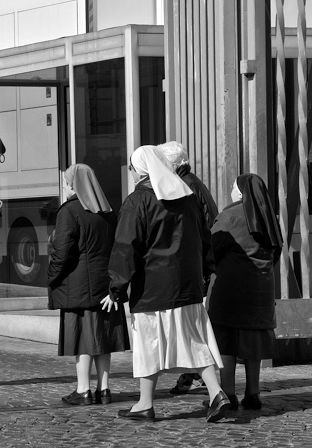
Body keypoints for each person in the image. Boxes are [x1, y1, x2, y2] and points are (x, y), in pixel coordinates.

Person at [102, 145, 229, 423]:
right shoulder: (188, 197)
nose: (131, 172)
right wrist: (205, 273)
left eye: (132, 168)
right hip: (187, 286)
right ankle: (216, 392)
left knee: (149, 346)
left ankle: (145, 403)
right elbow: (204, 239)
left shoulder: (138, 201)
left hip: (153, 288)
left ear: (141, 170)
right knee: (195, 342)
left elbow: (126, 247)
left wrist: (116, 288)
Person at [48, 164, 130, 406]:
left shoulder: (69, 211)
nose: (64, 186)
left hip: (78, 286)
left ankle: (83, 389)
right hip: (105, 285)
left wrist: (51, 277)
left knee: (83, 338)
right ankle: (104, 389)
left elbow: (62, 252)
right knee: (103, 337)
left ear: (73, 185)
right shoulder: (108, 211)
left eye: (66, 182)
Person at [207, 174, 282, 410]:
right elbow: (276, 252)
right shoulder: (268, 217)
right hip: (260, 289)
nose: (230, 190)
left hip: (230, 288)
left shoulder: (229, 216)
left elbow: (212, 250)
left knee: (226, 341)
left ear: (240, 192)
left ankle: (228, 393)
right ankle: (253, 393)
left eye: (233, 187)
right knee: (254, 342)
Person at [159, 141, 219, 395]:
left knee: (193, 326)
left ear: (173, 164)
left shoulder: (185, 186)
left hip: (197, 264)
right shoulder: (190, 182)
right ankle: (194, 376)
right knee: (193, 325)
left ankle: (197, 377)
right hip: (200, 262)